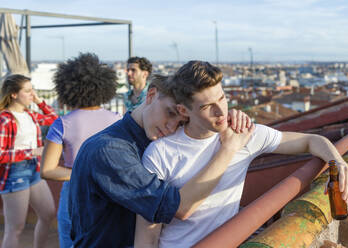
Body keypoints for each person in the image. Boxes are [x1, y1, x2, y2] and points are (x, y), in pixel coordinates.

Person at [135, 61, 348, 248]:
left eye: (221, 98)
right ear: (184, 111)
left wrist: (338, 163)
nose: (220, 112)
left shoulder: (245, 134)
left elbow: (311, 141)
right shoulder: (160, 153)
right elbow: (148, 232)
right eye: (207, 106)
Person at [68, 72, 255, 247]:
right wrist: (229, 148)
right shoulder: (110, 150)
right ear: (151, 95)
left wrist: (226, 120)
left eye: (181, 122)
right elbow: (176, 207)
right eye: (170, 113)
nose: (172, 127)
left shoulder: (149, 143)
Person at [40, 53, 122, 248]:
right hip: (110, 192)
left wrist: (82, 174)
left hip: (74, 193)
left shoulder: (62, 124)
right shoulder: (118, 120)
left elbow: (48, 170)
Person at [0, 74, 58, 248]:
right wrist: (31, 152)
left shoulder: (30, 114)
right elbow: (1, 154)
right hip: (14, 173)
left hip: (34, 169)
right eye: (27, 91)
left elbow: (55, 120)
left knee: (48, 213)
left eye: (32, 90)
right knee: (15, 228)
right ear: (14, 94)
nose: (32, 94)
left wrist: (40, 102)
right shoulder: (4, 119)